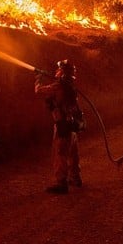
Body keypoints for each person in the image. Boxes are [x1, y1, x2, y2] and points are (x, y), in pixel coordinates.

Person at [34, 59, 84, 194]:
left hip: (62, 125)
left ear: (62, 72)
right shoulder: (71, 87)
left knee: (60, 154)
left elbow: (38, 91)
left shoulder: (58, 86)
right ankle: (75, 178)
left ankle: (61, 183)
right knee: (73, 154)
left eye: (58, 69)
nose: (56, 71)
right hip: (72, 126)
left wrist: (38, 79)